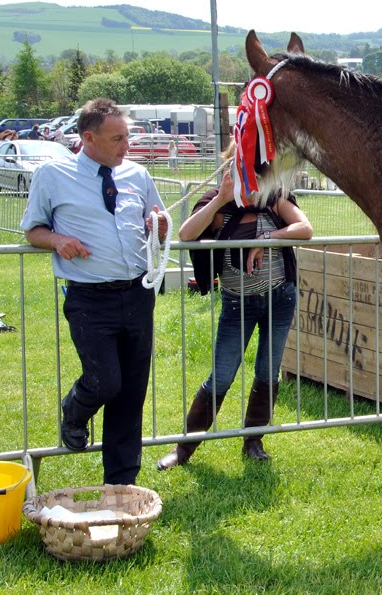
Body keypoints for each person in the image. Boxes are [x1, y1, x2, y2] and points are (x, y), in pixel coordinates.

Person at [21, 98, 166, 485]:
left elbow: (157, 219)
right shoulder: (53, 175)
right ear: (88, 138)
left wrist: (160, 226)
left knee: (131, 392)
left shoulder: (137, 175)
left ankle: (121, 483)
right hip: (90, 299)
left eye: (128, 137)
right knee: (105, 381)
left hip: (136, 294)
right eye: (117, 138)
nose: (127, 146)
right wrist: (55, 239)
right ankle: (75, 408)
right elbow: (33, 229)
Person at [156, 165, 312, 470]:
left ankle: (253, 440)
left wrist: (267, 236)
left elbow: (304, 229)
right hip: (238, 303)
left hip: (279, 298)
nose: (254, 186)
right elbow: (186, 234)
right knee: (222, 374)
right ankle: (184, 449)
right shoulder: (218, 203)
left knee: (268, 371)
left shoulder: (274, 198)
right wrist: (220, 199)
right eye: (247, 178)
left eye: (259, 178)